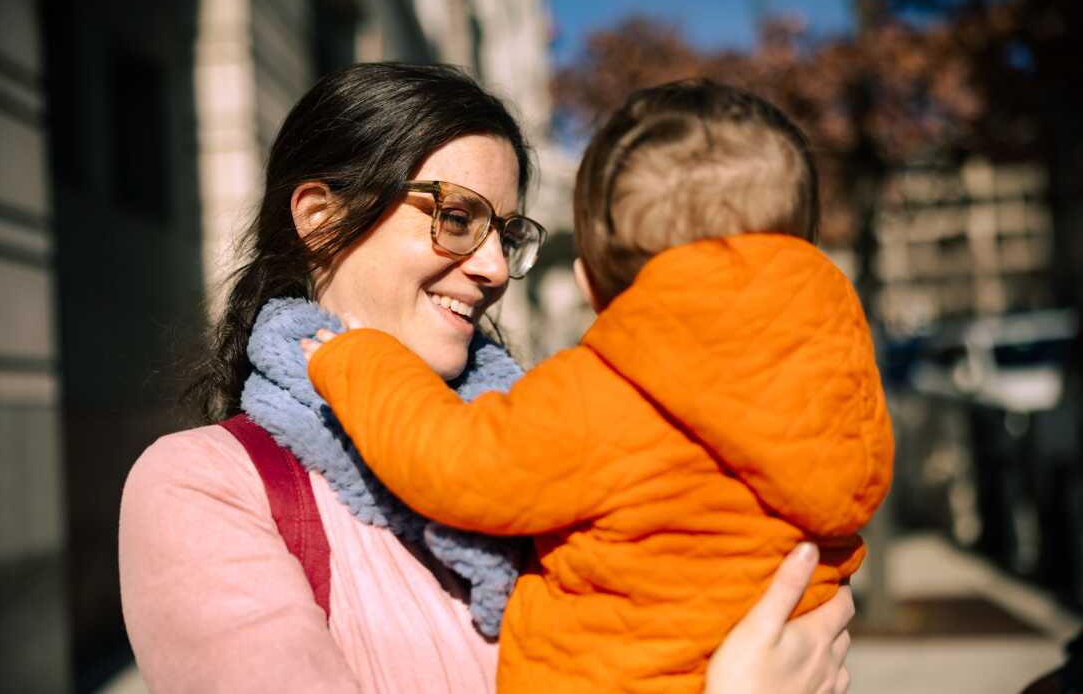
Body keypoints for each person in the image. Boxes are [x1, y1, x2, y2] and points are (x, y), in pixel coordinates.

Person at [119, 64, 855, 694]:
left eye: (506, 232)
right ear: (319, 216)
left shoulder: (577, 451)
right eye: (457, 216)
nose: (494, 268)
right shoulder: (205, 487)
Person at [304, 78, 893, 693]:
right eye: (456, 218)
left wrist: (358, 361)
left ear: (591, 285)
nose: (495, 267)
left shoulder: (612, 393)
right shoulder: (842, 389)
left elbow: (456, 464)